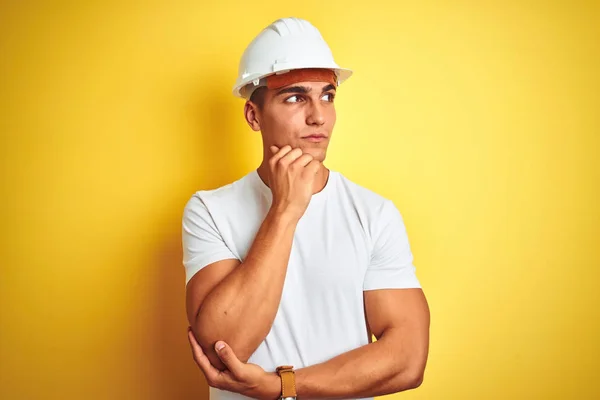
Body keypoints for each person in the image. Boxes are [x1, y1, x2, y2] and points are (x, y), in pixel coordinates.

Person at [182, 17, 430, 400]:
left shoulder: (373, 212)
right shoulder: (210, 210)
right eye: (295, 97)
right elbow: (222, 347)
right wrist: (285, 210)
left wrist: (282, 387)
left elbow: (408, 358)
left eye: (327, 96)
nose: (318, 115)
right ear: (253, 115)